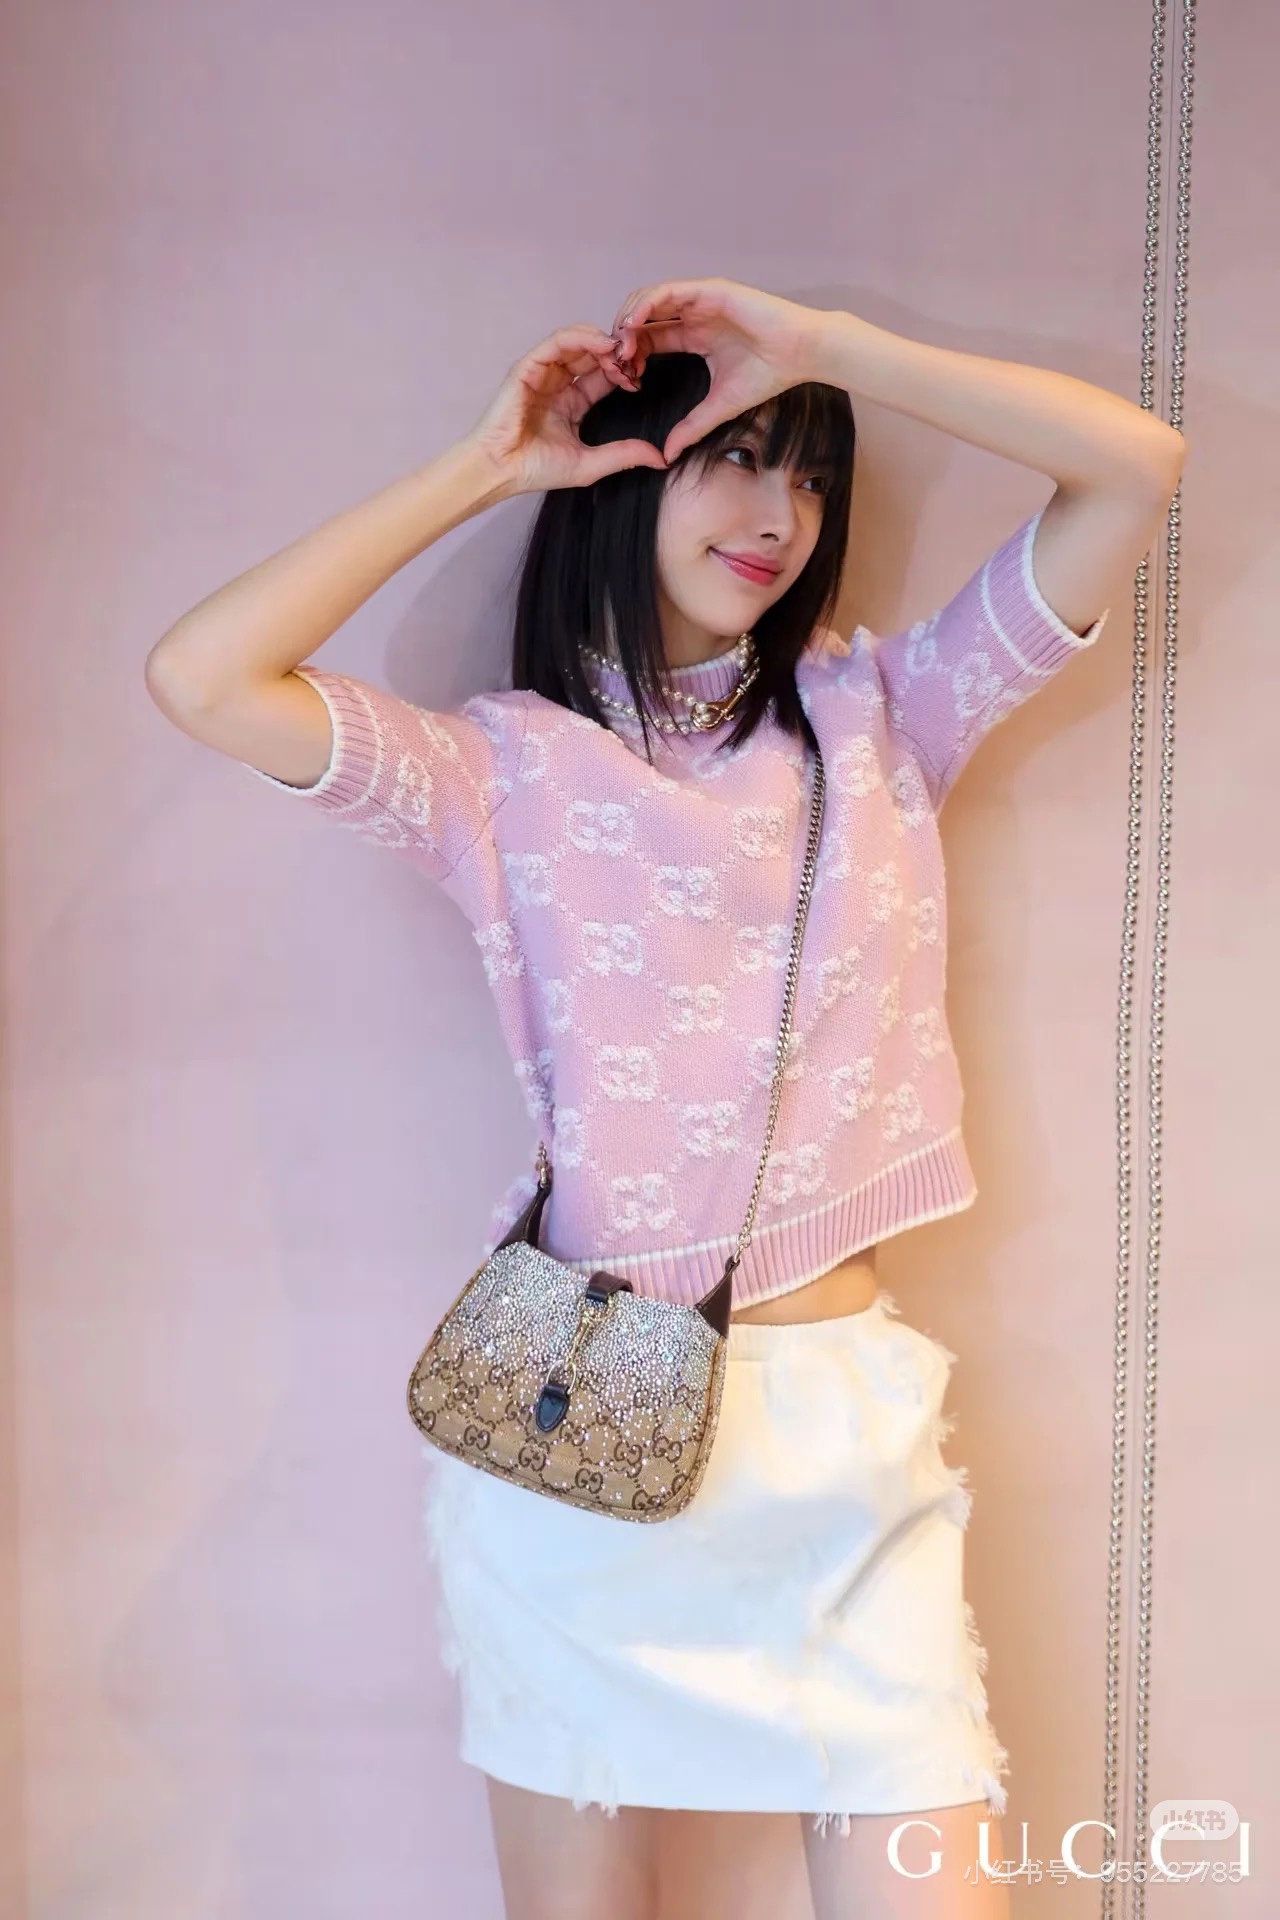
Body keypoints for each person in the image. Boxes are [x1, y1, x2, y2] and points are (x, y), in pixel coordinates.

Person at [144, 278, 1185, 1919]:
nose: (777, 515)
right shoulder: (498, 770)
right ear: (627, 471)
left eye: (809, 475)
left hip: (843, 1454)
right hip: (579, 1454)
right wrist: (489, 464)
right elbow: (203, 675)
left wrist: (833, 350)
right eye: (733, 455)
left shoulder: (885, 718)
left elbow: (1135, 468)